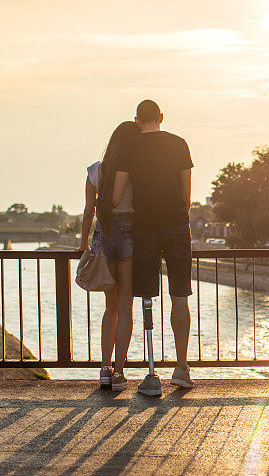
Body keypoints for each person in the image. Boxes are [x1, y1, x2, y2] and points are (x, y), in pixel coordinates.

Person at [113, 99, 194, 396]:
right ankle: (182, 367)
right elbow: (187, 192)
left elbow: (118, 192)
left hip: (145, 226)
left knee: (146, 296)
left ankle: (150, 372)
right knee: (180, 295)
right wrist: (180, 212)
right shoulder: (179, 143)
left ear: (137, 120)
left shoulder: (128, 147)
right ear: (161, 117)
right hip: (176, 224)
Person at [78, 121, 141, 392]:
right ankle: (118, 372)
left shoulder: (96, 170)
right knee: (126, 306)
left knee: (111, 307)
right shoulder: (137, 171)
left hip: (103, 237)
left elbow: (88, 212)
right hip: (130, 235)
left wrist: (83, 245)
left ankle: (104, 369)